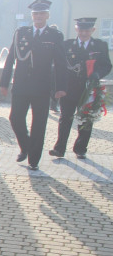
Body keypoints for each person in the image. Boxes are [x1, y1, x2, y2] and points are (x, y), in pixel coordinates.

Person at [0, 0, 66, 170]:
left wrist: (60, 87)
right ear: (32, 16)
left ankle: (34, 159)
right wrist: (4, 82)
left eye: (42, 14)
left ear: (47, 15)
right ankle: (26, 146)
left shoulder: (54, 35)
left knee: (39, 123)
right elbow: (11, 57)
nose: (38, 17)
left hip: (42, 86)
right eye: (36, 14)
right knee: (15, 118)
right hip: (21, 84)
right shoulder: (21, 32)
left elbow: (60, 63)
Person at [49, 17, 112, 159]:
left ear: (93, 30)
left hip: (88, 89)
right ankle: (59, 149)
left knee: (86, 119)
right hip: (69, 88)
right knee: (65, 118)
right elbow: (58, 66)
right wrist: (57, 87)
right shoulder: (67, 45)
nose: (84, 33)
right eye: (81, 30)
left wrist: (97, 73)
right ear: (76, 29)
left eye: (87, 30)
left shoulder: (99, 46)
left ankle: (80, 148)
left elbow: (107, 65)